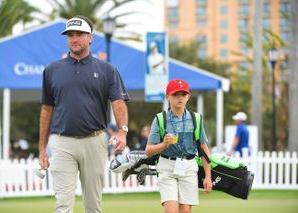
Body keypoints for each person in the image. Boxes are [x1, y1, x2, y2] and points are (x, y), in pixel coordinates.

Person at [38, 15, 129, 213]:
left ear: (90, 38)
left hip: (94, 141)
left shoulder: (107, 70)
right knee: (62, 204)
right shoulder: (52, 70)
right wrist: (42, 149)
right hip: (61, 142)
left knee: (93, 205)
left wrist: (122, 132)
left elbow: (118, 103)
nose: (74, 38)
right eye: (70, 35)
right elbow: (46, 110)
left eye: (79, 34)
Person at [145, 79, 212, 213]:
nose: (180, 98)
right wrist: (164, 144)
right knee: (171, 210)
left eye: (183, 94)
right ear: (167, 96)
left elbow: (203, 148)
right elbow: (148, 151)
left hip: (188, 168)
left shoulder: (196, 118)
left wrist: (208, 176)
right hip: (167, 167)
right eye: (175, 94)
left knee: (185, 211)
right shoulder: (160, 119)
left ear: (188, 97)